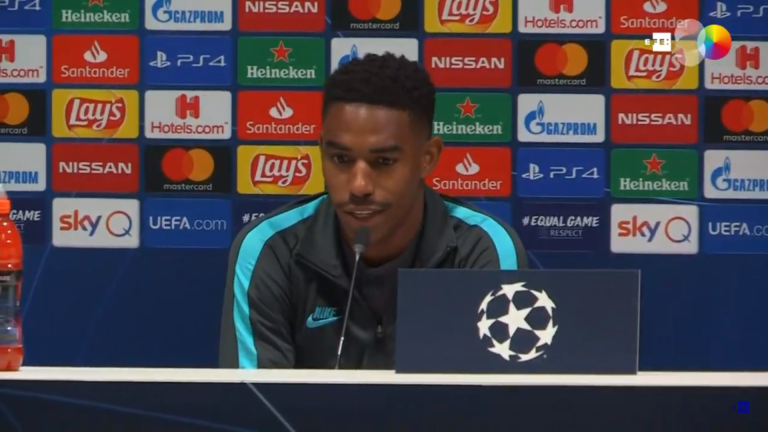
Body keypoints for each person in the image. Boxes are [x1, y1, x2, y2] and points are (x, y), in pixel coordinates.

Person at [219, 53, 528, 370]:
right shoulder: (271, 249)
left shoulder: (481, 250)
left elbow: (497, 398)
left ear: (427, 158)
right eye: (341, 159)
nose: (359, 186)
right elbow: (256, 399)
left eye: (383, 162)